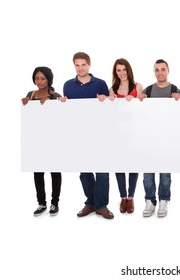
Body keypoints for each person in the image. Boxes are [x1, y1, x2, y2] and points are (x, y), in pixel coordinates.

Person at [62, 51, 114, 219]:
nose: (80, 68)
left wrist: (105, 99)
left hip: (100, 133)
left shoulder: (100, 83)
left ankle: (101, 205)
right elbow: (66, 111)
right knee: (84, 172)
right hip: (78, 134)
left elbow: (109, 107)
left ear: (89, 65)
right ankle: (90, 203)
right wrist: (61, 103)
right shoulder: (68, 85)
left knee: (102, 172)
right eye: (77, 65)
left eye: (83, 64)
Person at [137, 59, 180, 217]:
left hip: (168, 138)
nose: (160, 72)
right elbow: (140, 115)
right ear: (154, 72)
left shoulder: (176, 90)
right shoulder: (148, 90)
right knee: (148, 173)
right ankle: (150, 201)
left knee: (165, 173)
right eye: (157, 70)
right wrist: (140, 99)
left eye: (163, 69)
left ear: (168, 71)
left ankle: (164, 199)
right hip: (149, 138)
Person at [22, 66, 62, 216]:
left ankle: (55, 203)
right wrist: (25, 104)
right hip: (35, 139)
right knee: (38, 172)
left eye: (43, 78)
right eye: (37, 78)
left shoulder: (55, 95)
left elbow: (61, 116)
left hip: (53, 139)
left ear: (49, 79)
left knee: (54, 171)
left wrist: (56, 103)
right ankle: (41, 203)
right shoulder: (30, 94)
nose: (39, 81)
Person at [107, 58, 143, 214]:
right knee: (120, 165)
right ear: (115, 72)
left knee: (134, 164)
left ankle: (131, 197)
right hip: (118, 132)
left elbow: (143, 105)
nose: (122, 73)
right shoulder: (112, 89)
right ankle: (123, 197)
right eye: (118, 70)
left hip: (135, 131)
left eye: (124, 69)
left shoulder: (137, 86)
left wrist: (136, 99)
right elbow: (111, 111)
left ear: (128, 70)